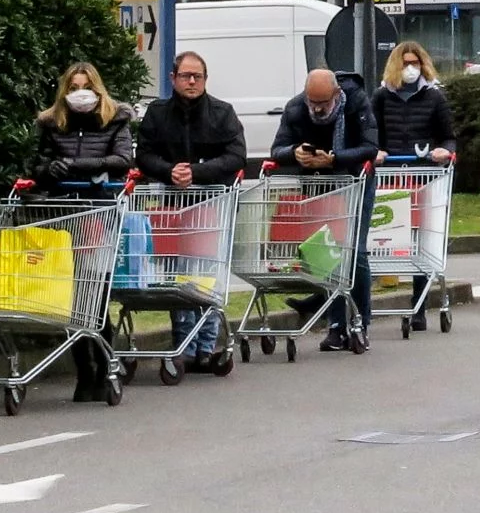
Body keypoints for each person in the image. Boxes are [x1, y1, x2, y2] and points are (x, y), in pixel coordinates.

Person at [24, 62, 134, 399]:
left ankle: (103, 370)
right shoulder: (51, 122)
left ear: (97, 89)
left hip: (97, 213)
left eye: (86, 86)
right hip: (62, 215)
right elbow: (36, 164)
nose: (80, 93)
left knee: (95, 296)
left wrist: (80, 166)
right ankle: (83, 371)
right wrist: (50, 168)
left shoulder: (115, 119)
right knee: (71, 300)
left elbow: (122, 160)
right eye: (73, 87)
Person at [134, 50, 247, 363]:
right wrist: (169, 170)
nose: (192, 81)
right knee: (177, 276)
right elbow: (143, 155)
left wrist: (195, 172)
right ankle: (182, 343)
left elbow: (235, 157)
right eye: (186, 76)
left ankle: (206, 346)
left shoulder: (223, 113)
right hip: (173, 208)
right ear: (173, 79)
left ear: (206, 79)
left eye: (198, 76)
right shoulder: (157, 113)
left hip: (213, 206)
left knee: (208, 276)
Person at [267, 68, 378, 351]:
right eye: (312, 102)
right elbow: (277, 149)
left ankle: (360, 321)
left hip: (354, 182)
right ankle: (335, 324)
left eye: (323, 103)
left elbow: (370, 147)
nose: (316, 109)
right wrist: (294, 154)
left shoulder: (356, 102)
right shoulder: (295, 108)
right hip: (317, 185)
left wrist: (334, 158)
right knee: (327, 253)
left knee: (355, 252)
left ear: (337, 94)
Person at [372, 41, 456, 164]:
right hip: (389, 170)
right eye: (405, 64)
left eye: (415, 63)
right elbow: (371, 133)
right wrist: (375, 151)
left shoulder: (435, 96)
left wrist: (446, 150)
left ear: (422, 64)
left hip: (426, 170)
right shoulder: (381, 96)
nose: (410, 68)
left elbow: (449, 137)